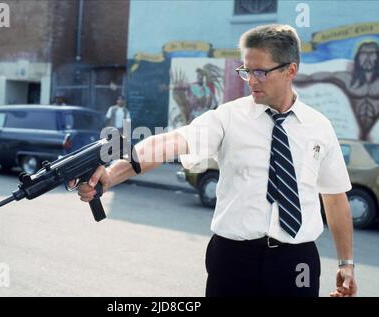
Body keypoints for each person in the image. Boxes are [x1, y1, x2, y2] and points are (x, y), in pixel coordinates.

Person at [71, 24, 357, 297]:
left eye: (260, 72)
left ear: (290, 70)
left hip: (297, 261)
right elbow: (170, 142)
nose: (251, 81)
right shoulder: (227, 117)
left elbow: (334, 197)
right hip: (233, 258)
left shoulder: (319, 127)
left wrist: (346, 263)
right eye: (246, 71)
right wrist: (112, 174)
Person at [294, 41, 379, 140]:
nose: (367, 58)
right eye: (363, 54)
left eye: (372, 54)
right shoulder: (347, 78)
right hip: (355, 132)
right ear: (358, 57)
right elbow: (311, 77)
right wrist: (287, 75)